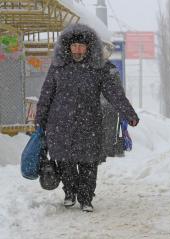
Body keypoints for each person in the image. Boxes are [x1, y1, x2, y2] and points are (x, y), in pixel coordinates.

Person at [35, 23, 139, 212]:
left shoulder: (99, 68)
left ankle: (86, 198)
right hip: (60, 124)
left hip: (89, 123)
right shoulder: (58, 67)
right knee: (65, 162)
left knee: (88, 162)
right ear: (67, 47)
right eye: (74, 46)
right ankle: (69, 192)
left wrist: (129, 113)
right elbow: (46, 94)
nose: (77, 50)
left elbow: (115, 94)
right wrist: (39, 119)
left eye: (81, 46)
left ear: (89, 47)